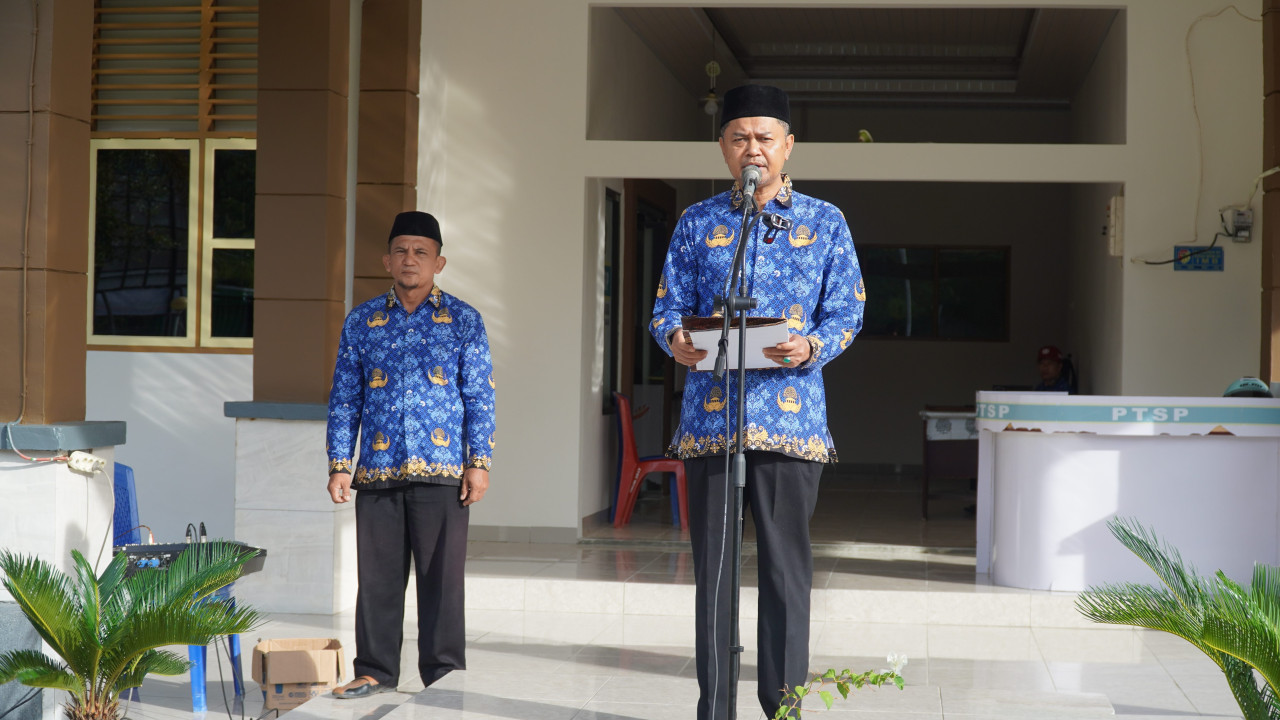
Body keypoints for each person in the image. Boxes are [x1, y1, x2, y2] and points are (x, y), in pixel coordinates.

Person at [650, 84, 865, 720]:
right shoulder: (697, 222)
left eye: (764, 138)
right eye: (739, 137)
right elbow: (665, 308)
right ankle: (715, 709)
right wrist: (676, 338)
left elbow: (848, 309)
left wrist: (812, 345)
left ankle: (783, 710)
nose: (753, 149)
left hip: (790, 425)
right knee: (714, 578)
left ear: (788, 146)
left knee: (784, 575)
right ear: (722, 147)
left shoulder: (825, 221)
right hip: (712, 424)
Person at [325, 211, 495, 698]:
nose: (410, 259)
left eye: (421, 252)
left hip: (443, 473)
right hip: (378, 472)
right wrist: (340, 464)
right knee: (377, 580)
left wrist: (478, 463)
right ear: (386, 261)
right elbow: (345, 398)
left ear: (439, 263)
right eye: (400, 250)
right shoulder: (363, 321)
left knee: (442, 581)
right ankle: (374, 671)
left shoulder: (463, 320)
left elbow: (480, 397)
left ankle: (443, 675)